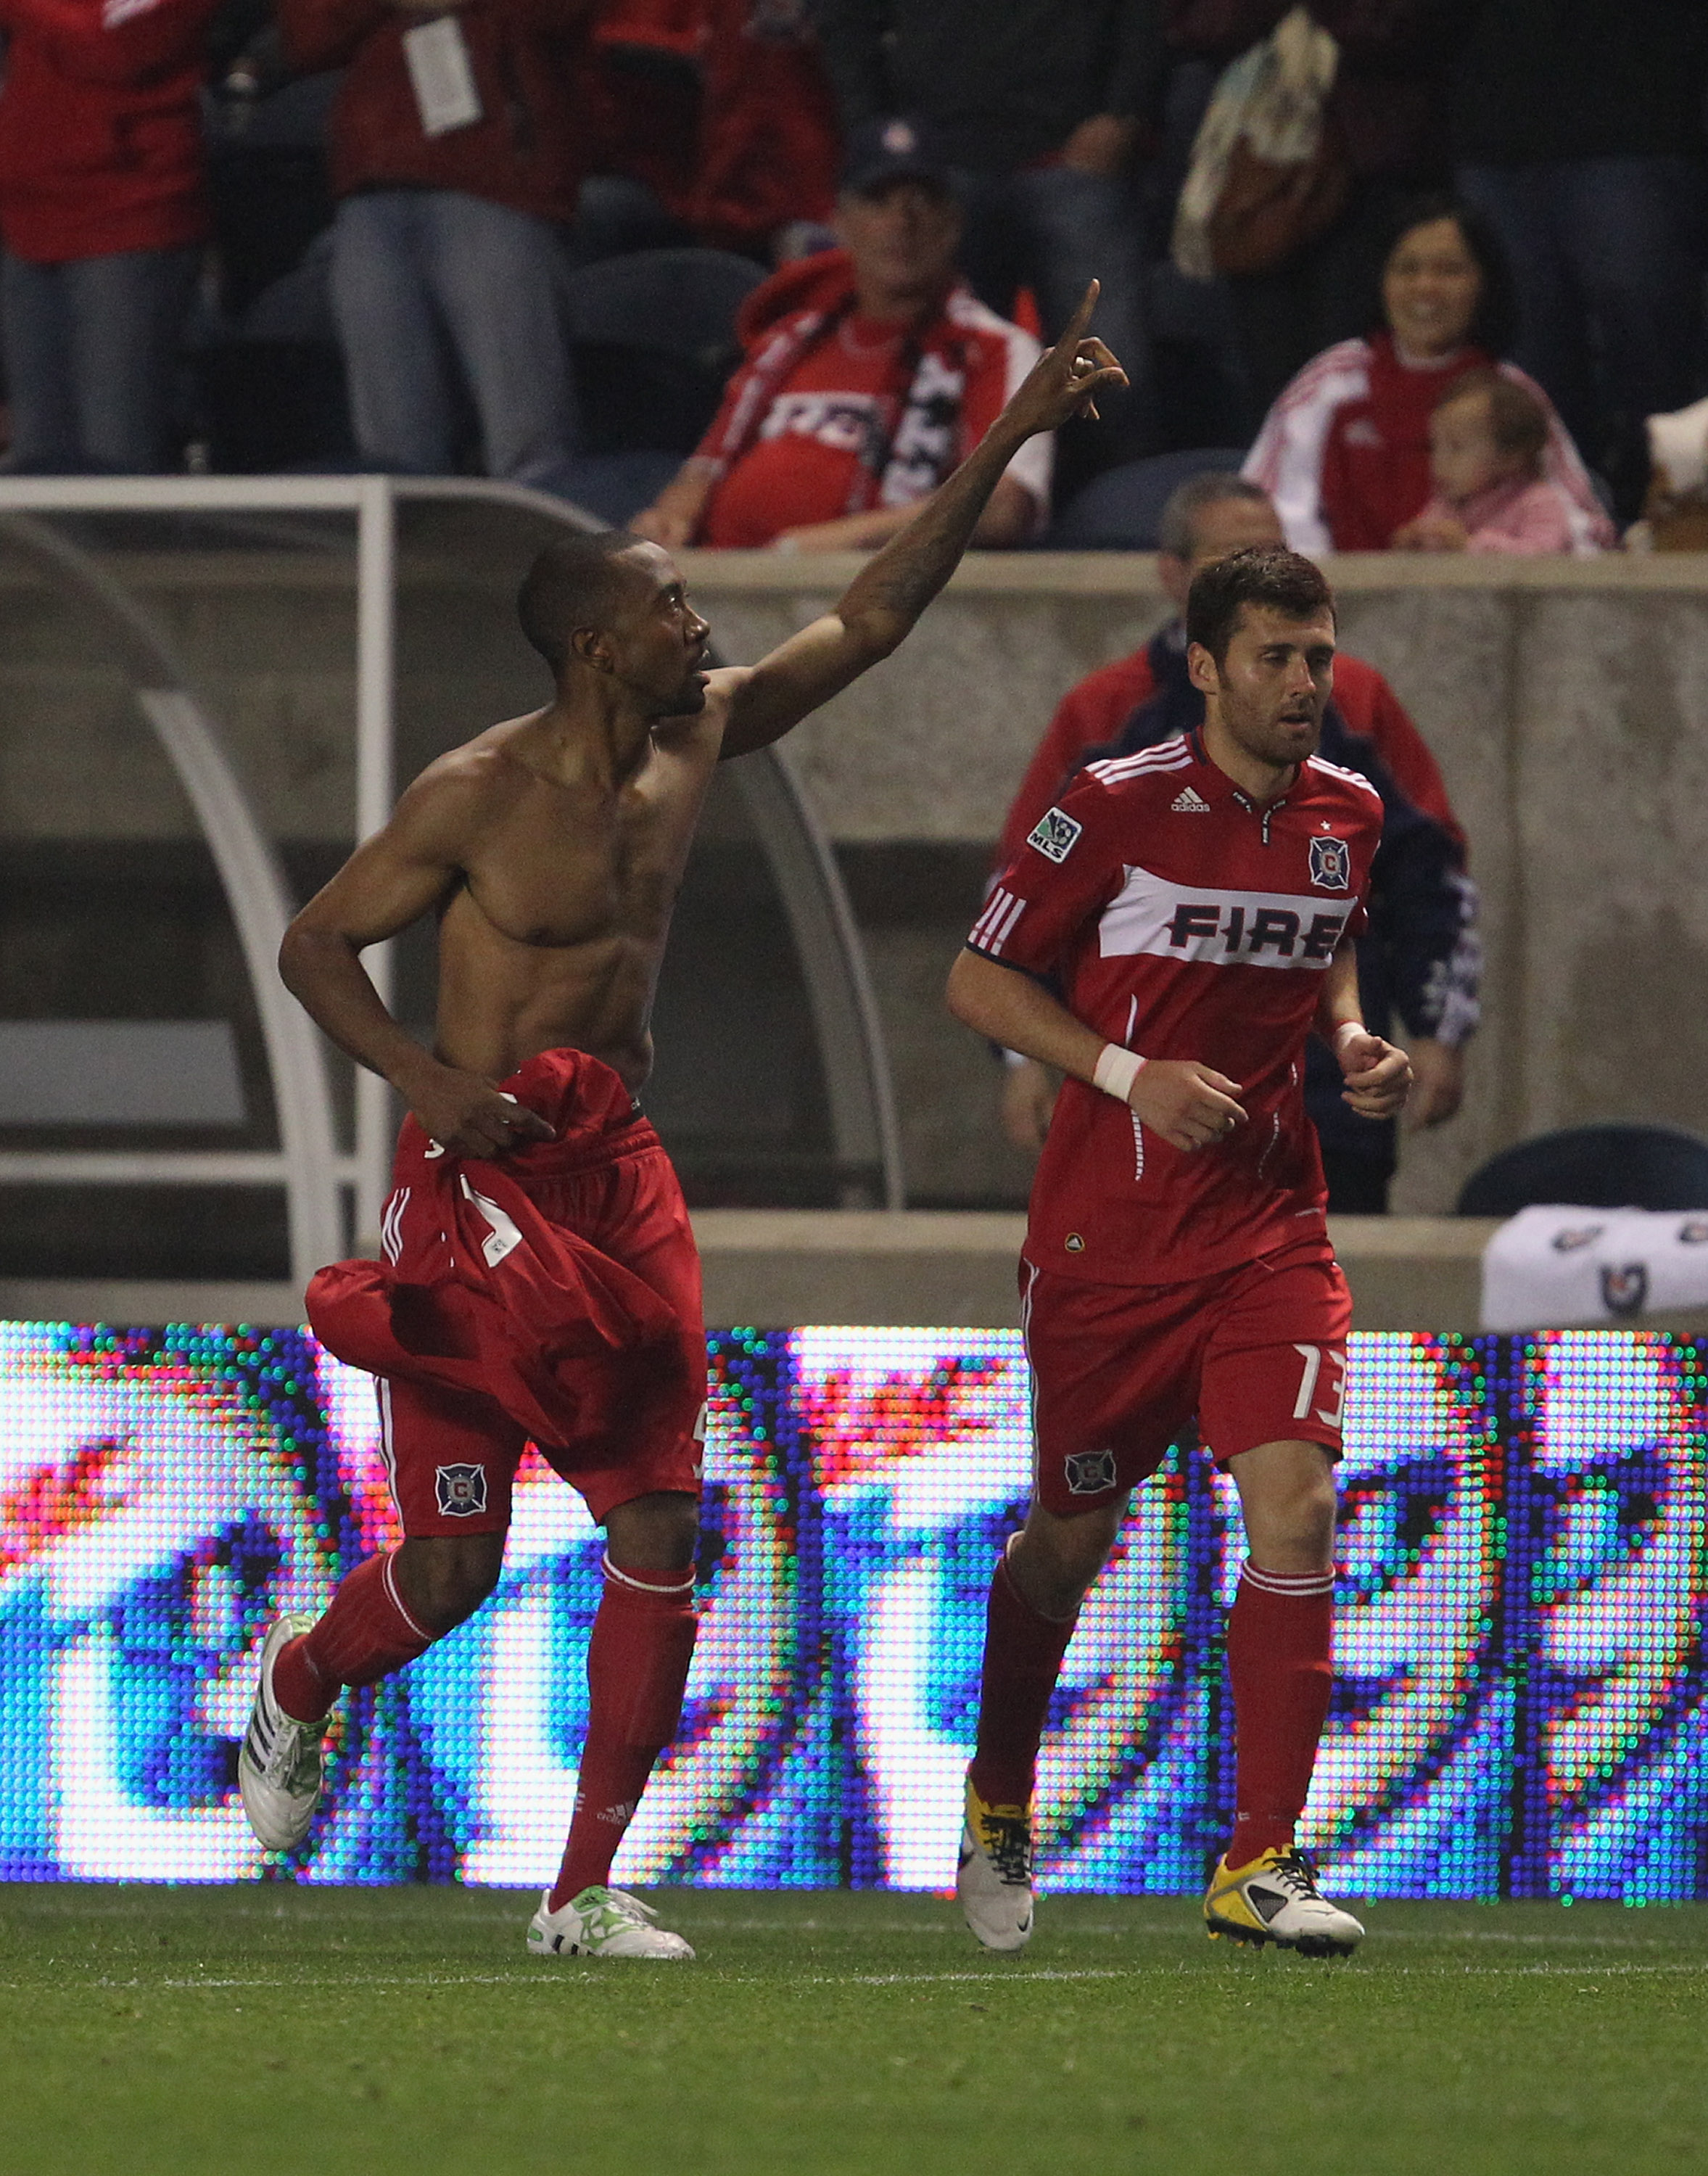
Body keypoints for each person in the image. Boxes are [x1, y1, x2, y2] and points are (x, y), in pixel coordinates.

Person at [236, 292, 1125, 1961]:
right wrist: (426, 1085)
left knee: (662, 1522)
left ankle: (578, 1890)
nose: (697, 618)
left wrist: (1008, 435)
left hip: (618, 1179)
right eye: (669, 602)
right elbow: (311, 942)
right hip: (476, 1179)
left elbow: (866, 619)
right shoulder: (476, 790)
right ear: (597, 643)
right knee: (452, 1563)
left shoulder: (700, 727)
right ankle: (301, 1677)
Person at [946, 544, 1411, 1957]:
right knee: (1064, 1547)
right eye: (1273, 657)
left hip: (1267, 1222)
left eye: (1317, 656)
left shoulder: (1349, 813)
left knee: (1298, 1507)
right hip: (1107, 1240)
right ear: (1202, 666)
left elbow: (1327, 934)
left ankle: (1256, 1861)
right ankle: (998, 1793)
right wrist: (1120, 1071)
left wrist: (1343, 1034)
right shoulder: (1113, 803)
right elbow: (975, 977)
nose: (1301, 685)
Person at [997, 472, 1476, 1211]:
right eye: (1229, 559)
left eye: (1273, 555)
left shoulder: (1355, 707)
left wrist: (1436, 1025)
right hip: (1149, 1113)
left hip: (1322, 1112)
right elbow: (1021, 913)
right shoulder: (1106, 716)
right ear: (1172, 575)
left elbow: (1423, 878)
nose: (1256, 578)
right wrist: (1027, 1058)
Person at [632, 118, 1050, 553]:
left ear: (953, 223)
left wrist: (838, 544)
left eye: (923, 199)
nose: (902, 220)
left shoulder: (997, 349)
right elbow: (704, 468)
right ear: (839, 223)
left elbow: (1005, 505)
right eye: (878, 199)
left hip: (865, 595)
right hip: (722, 585)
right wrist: (668, 519)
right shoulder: (790, 339)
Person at [809, 0, 1155, 458]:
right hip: (935, 161)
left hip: (1072, 149)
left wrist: (1124, 112)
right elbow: (845, 19)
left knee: (1109, 372)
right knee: (940, 375)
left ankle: (1117, 519)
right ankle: (947, 519)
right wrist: (879, 134)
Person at [276, 0, 593, 495]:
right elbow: (306, 36)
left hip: (499, 179)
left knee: (527, 440)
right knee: (392, 458)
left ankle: (547, 567)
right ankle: (402, 570)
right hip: (372, 183)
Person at [1242, 194, 1614, 555]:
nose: (1425, 288)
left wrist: (1484, 558)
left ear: (1485, 284)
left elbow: (1587, 534)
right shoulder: (1330, 383)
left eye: (1449, 270)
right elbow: (1264, 515)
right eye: (1407, 269)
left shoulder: (1511, 393)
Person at [1451, 0, 1708, 524]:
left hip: (1635, 108)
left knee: (1647, 343)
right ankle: (1545, 524)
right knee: (1524, 363)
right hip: (1495, 108)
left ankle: (1663, 517)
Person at [1163, 0, 1468, 428]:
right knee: (1276, 387)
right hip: (1261, 171)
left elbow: (1400, 26)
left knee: (1358, 374)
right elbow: (1196, 24)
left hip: (1374, 171)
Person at [0, 0, 219, 474]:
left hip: (133, 218)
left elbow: (115, 48)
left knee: (117, 451)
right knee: (39, 455)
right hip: (29, 216)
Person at [1393, 370, 1594, 556]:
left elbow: (1541, 558)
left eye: (1457, 448)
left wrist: (1468, 546)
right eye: (1435, 447)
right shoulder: (1446, 505)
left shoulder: (1539, 502)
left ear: (1510, 457)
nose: (1439, 462)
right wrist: (1415, 543)